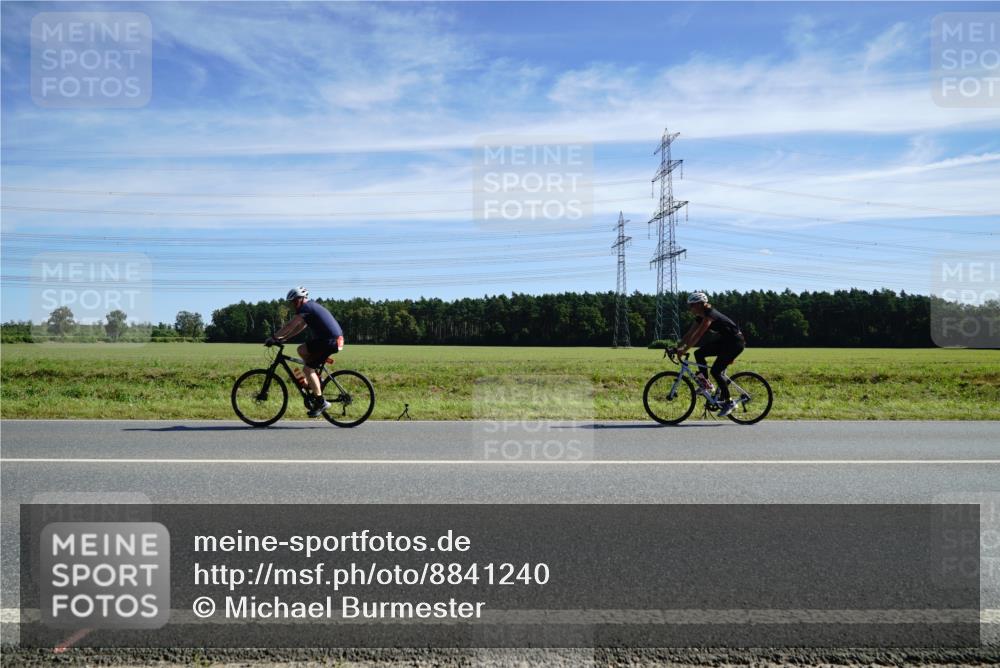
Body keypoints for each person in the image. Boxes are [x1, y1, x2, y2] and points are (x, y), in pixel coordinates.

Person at [266, 286, 344, 417]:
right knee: (301, 350)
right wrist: (284, 338)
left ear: (302, 299)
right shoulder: (309, 308)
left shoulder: (306, 308)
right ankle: (316, 380)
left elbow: (290, 325)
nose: (293, 304)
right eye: (292, 302)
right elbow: (300, 326)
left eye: (295, 301)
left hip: (330, 341)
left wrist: (274, 338)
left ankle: (321, 402)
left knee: (307, 370)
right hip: (331, 340)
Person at [675, 291, 745, 417]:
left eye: (692, 305)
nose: (690, 308)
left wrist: (684, 350)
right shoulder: (700, 316)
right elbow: (689, 334)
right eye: (689, 306)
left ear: (701, 304)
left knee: (716, 371)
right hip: (726, 342)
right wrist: (677, 348)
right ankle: (706, 384)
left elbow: (698, 335)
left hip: (735, 343)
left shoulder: (710, 315)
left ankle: (729, 403)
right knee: (699, 353)